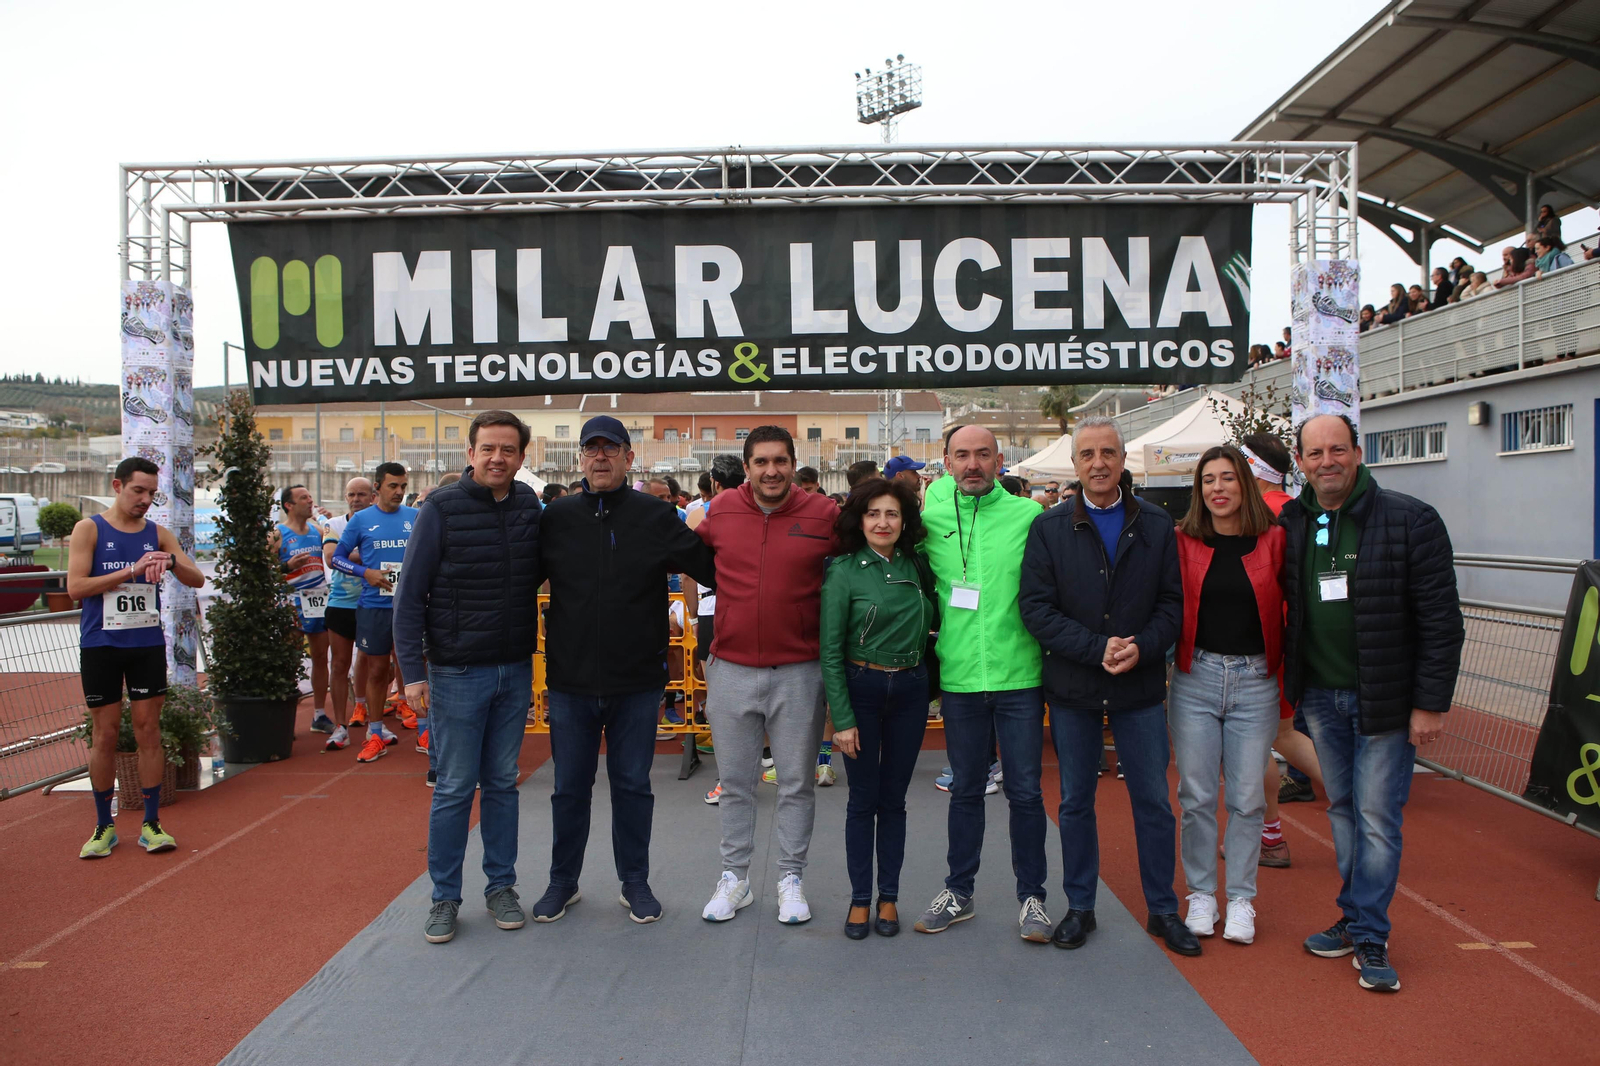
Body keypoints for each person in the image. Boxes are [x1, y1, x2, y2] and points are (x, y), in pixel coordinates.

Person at [1284, 414, 1464, 993]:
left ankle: (1370, 934)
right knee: (1341, 809)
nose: (1327, 461)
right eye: (1316, 452)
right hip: (1320, 696)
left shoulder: (1411, 519)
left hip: (1385, 700)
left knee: (1378, 819)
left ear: (1358, 454)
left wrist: (1430, 702)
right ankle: (1355, 915)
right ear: (1301, 460)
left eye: (1338, 449)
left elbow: (1441, 620)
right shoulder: (1292, 520)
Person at [1018, 416, 1195, 957]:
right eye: (1088, 454)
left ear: (1123, 460)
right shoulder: (1048, 528)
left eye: (1108, 453)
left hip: (1138, 685)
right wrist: (1097, 648)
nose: (1098, 463)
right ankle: (1080, 906)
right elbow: (1036, 609)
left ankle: (1164, 909)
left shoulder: (1158, 524)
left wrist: (1142, 645)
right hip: (1073, 685)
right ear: (1075, 464)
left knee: (1153, 802)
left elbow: (1173, 604)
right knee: (1075, 802)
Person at [534, 416, 715, 925]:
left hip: (637, 681)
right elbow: (516, 577)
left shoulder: (657, 516)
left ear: (629, 458)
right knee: (569, 787)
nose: (600, 457)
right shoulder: (557, 517)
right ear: (580, 459)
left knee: (633, 786)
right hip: (569, 682)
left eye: (610, 449)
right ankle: (562, 882)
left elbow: (714, 566)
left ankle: (634, 881)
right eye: (590, 449)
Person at [393, 411, 544, 944]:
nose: (497, 458)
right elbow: (408, 596)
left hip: (514, 668)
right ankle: (444, 898)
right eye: (488, 448)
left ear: (523, 457)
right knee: (456, 788)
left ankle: (501, 887)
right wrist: (413, 673)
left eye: (508, 449)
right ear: (471, 454)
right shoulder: (439, 508)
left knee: (502, 784)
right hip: (455, 671)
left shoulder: (529, 504)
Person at [913, 425, 1052, 944]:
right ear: (946, 462)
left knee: (1026, 793)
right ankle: (959, 891)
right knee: (965, 790)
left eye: (983, 455)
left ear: (1000, 460)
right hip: (960, 677)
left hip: (1020, 676)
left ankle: (1032, 897)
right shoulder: (928, 520)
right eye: (962, 455)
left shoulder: (1028, 516)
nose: (973, 464)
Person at [695, 426, 838, 925]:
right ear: (748, 465)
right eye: (761, 462)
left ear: (794, 464)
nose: (771, 471)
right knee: (736, 783)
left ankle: (790, 878)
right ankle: (735, 878)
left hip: (799, 671)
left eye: (780, 461)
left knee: (796, 783)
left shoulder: (825, 515)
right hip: (731, 669)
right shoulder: (721, 511)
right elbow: (692, 556)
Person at [1169, 446, 1286, 946]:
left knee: (1246, 798)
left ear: (1245, 485)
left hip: (1256, 679)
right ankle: (1201, 894)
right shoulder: (1182, 541)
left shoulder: (1275, 540)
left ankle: (1240, 899)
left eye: (1228, 479)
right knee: (1196, 796)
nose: (1218, 488)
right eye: (1208, 480)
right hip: (1196, 677)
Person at [68, 456, 205, 858]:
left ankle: (151, 823)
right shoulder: (89, 529)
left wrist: (173, 560)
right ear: (117, 486)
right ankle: (103, 825)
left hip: (145, 645)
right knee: (105, 734)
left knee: (149, 730)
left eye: (151, 492)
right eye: (138, 491)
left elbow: (196, 579)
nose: (145, 499)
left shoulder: (158, 534)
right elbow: (76, 586)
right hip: (101, 645)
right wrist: (132, 570)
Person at [821, 477, 936, 939]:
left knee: (894, 801)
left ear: (904, 520)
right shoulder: (843, 570)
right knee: (861, 800)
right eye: (873, 513)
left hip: (910, 690)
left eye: (891, 513)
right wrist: (842, 720)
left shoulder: (921, 565)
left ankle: (889, 897)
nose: (882, 522)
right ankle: (859, 899)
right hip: (861, 688)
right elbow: (830, 652)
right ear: (859, 519)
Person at [1240, 432, 1324, 863]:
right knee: (1281, 736)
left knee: (1257, 740)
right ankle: (1359, 803)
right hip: (1288, 641)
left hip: (1263, 645)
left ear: (1251, 469)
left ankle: (1268, 834)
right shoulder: (1294, 508)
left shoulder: (1263, 515)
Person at [331, 461, 416, 764]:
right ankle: (375, 732)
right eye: (393, 486)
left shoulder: (416, 517)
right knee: (378, 670)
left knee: (419, 668)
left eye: (404, 486)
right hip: (374, 607)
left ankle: (427, 731)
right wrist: (364, 572)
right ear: (377, 487)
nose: (399, 492)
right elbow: (336, 559)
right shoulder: (362, 520)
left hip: (411, 607)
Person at [693, 454, 745, 806]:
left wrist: (695, 617)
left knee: (722, 700)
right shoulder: (752, 508)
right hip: (743, 609)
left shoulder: (704, 513)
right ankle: (759, 765)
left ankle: (729, 778)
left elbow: (687, 569)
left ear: (713, 481)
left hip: (714, 609)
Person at [271, 485, 332, 734]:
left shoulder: (317, 531)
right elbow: (262, 573)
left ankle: (319, 713)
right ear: (289, 505)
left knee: (320, 657)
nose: (310, 501)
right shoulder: (277, 534)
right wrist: (286, 566)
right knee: (290, 660)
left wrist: (327, 523)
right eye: (303, 498)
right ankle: (285, 716)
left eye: (310, 496)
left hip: (317, 600)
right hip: (292, 602)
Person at [321, 477, 374, 751]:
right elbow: (332, 557)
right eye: (351, 494)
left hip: (373, 603)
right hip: (341, 603)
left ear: (372, 497)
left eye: (362, 494)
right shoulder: (335, 525)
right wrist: (368, 555)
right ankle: (340, 726)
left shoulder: (378, 521)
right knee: (339, 665)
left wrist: (352, 553)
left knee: (373, 663)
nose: (356, 499)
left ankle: (372, 722)